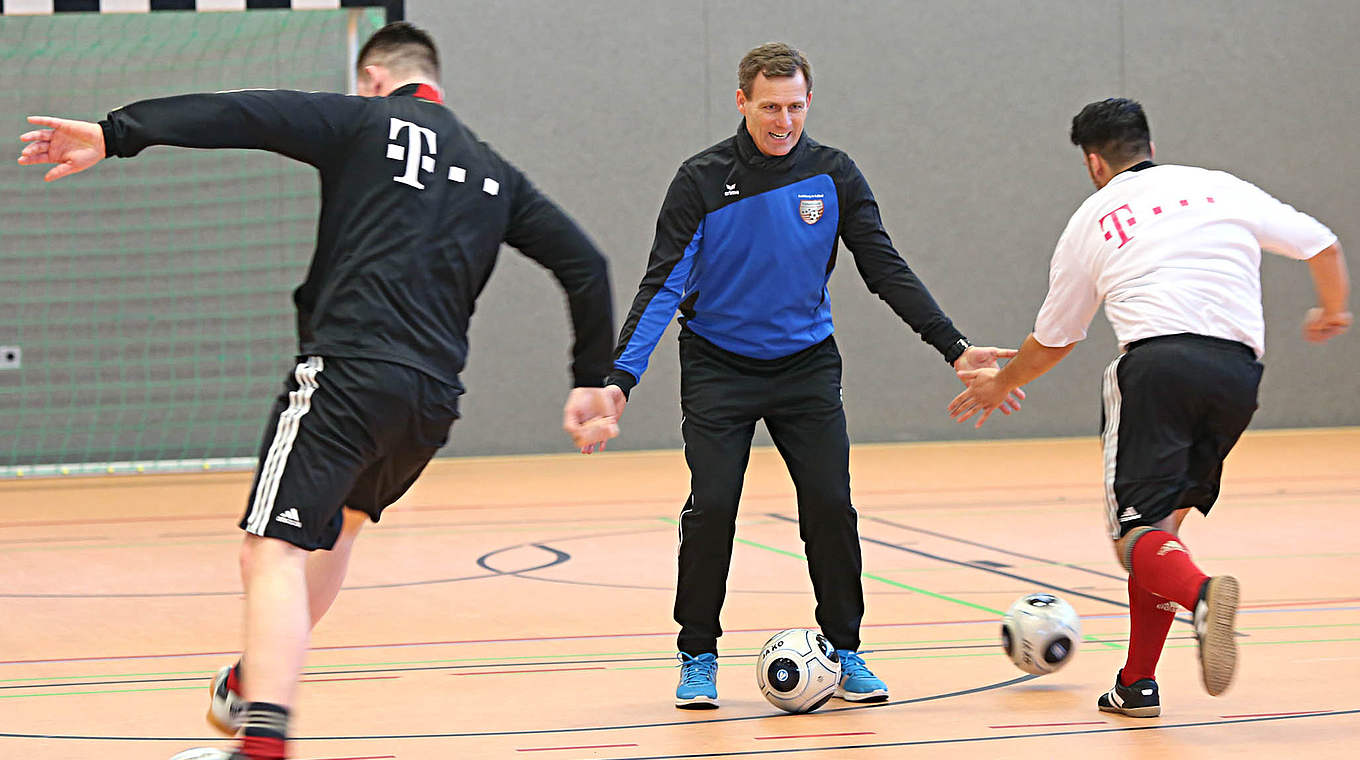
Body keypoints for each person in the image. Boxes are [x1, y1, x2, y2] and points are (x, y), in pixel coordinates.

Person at [19, 22, 620, 760]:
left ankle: (263, 741)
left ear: (373, 77)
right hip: (430, 402)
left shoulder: (364, 119)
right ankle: (251, 682)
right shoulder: (493, 172)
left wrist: (118, 133)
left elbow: (245, 112)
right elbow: (586, 264)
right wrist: (591, 378)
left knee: (269, 550)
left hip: (350, 374)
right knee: (334, 531)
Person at [599, 42, 1021, 709]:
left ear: (809, 102)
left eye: (795, 106)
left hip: (806, 366)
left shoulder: (834, 175)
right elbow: (662, 286)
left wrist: (954, 347)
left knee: (830, 505)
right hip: (718, 365)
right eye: (770, 107)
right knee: (712, 507)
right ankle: (697, 654)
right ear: (742, 103)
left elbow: (884, 268)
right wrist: (619, 379)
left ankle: (846, 649)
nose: (783, 121)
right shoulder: (701, 181)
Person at [948, 98, 1350, 717]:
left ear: (1094, 162)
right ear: (1149, 145)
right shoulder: (1220, 188)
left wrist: (1002, 383)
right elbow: (1322, 244)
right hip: (1239, 376)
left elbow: (1056, 338)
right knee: (1162, 532)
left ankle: (1203, 596)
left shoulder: (1092, 218)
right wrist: (1331, 311)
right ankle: (1136, 684)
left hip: (1159, 368)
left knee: (1134, 535)